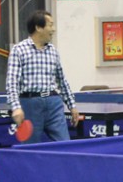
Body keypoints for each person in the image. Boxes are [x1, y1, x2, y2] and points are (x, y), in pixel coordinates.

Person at [5, 10, 80, 143]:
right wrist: (16, 107)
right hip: (30, 104)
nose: (54, 29)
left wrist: (72, 106)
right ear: (38, 28)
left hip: (53, 103)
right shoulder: (19, 50)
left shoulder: (53, 51)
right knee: (30, 149)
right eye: (50, 25)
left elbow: (62, 81)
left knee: (65, 144)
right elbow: (12, 82)